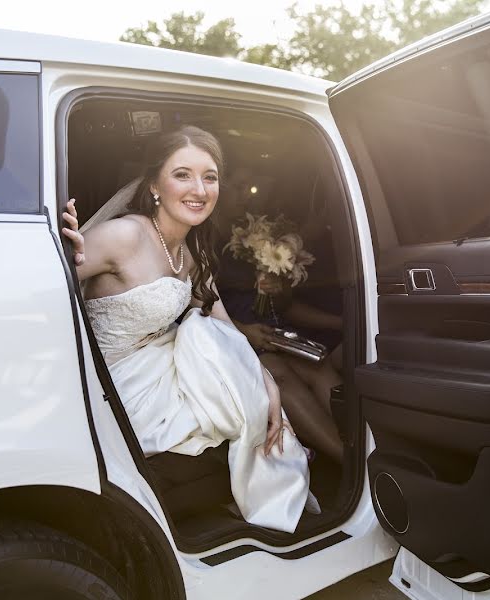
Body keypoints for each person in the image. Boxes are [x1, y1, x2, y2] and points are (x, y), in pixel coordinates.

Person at [61, 126, 317, 533]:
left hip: (159, 369)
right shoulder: (124, 235)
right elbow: (44, 285)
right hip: (114, 383)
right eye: (182, 174)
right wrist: (55, 246)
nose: (199, 189)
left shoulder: (192, 249)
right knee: (235, 411)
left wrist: (264, 380)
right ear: (154, 186)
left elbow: (222, 322)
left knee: (252, 392)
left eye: (209, 177)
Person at [212, 170, 345, 463]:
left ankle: (361, 445)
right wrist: (245, 331)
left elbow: (283, 305)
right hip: (231, 339)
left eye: (250, 186)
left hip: (273, 334)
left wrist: (276, 288)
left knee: (319, 366)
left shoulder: (253, 234)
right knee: (280, 374)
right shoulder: (205, 241)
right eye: (239, 185)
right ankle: (346, 459)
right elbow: (198, 306)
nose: (247, 193)